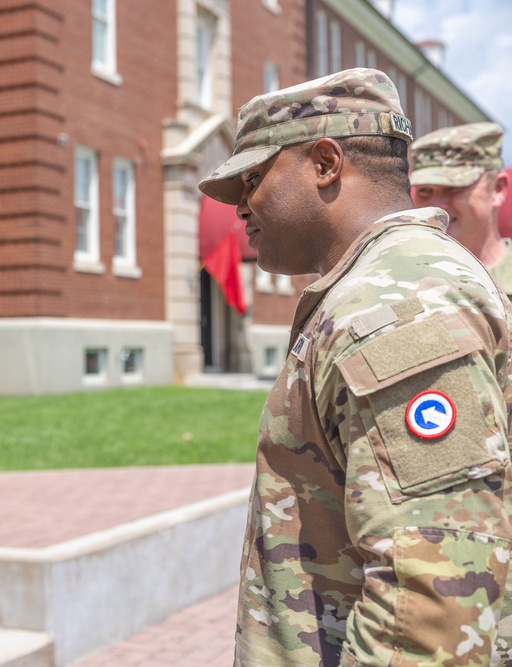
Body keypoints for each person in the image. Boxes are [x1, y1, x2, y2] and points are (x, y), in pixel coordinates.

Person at [199, 68, 512, 664]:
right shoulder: (378, 287)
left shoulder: (398, 306)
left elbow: (433, 596)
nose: (240, 206)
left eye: (254, 178)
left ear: (325, 163)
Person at [410, 122, 511, 293]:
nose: (438, 206)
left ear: (497, 189)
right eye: (425, 191)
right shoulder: (398, 278)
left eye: (454, 188)